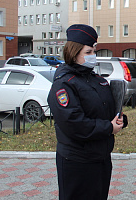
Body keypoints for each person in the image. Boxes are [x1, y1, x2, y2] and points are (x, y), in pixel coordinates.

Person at [47, 24, 124, 200]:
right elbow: (73, 123)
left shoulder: (97, 80)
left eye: (94, 51)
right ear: (74, 53)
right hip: (77, 161)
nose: (93, 56)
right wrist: (107, 128)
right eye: (88, 52)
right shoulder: (64, 83)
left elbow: (106, 111)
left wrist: (119, 120)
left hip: (101, 158)